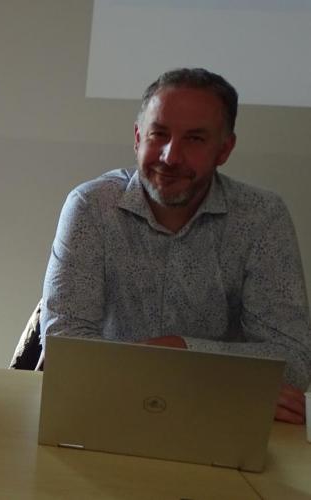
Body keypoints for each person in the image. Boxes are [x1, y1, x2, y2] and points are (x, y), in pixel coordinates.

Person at [41, 68, 311, 424]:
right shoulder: (92, 207)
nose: (170, 157)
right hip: (108, 412)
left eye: (195, 139)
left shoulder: (262, 217)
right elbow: (66, 351)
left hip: (219, 421)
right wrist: (221, 377)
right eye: (159, 134)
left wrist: (178, 349)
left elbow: (292, 361)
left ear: (224, 149)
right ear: (138, 137)